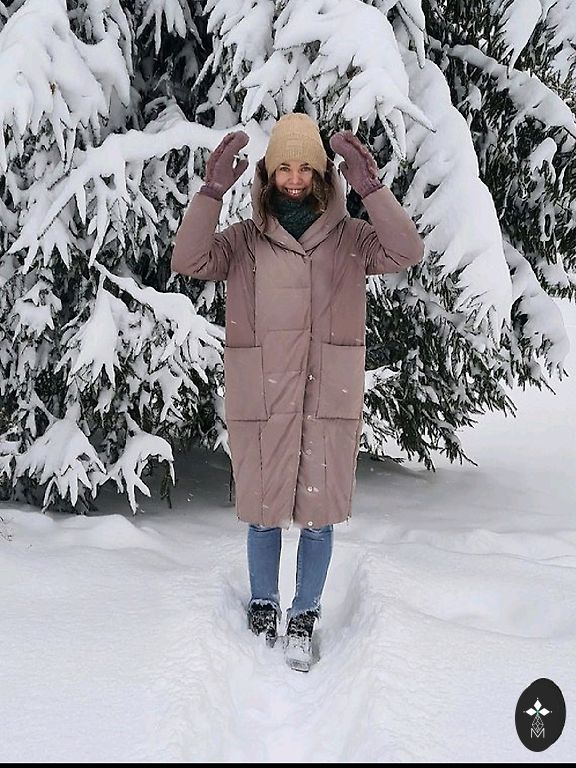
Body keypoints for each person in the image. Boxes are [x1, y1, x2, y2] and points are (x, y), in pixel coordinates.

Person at [172, 113, 423, 671]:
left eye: (305, 167)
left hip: (327, 391)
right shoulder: (244, 241)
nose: (293, 178)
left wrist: (372, 189)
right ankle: (264, 606)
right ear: (267, 172)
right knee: (263, 510)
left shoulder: (352, 238)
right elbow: (188, 260)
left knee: (319, 513)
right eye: (283, 167)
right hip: (263, 391)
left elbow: (407, 251)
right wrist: (211, 193)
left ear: (322, 174)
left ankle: (304, 614)